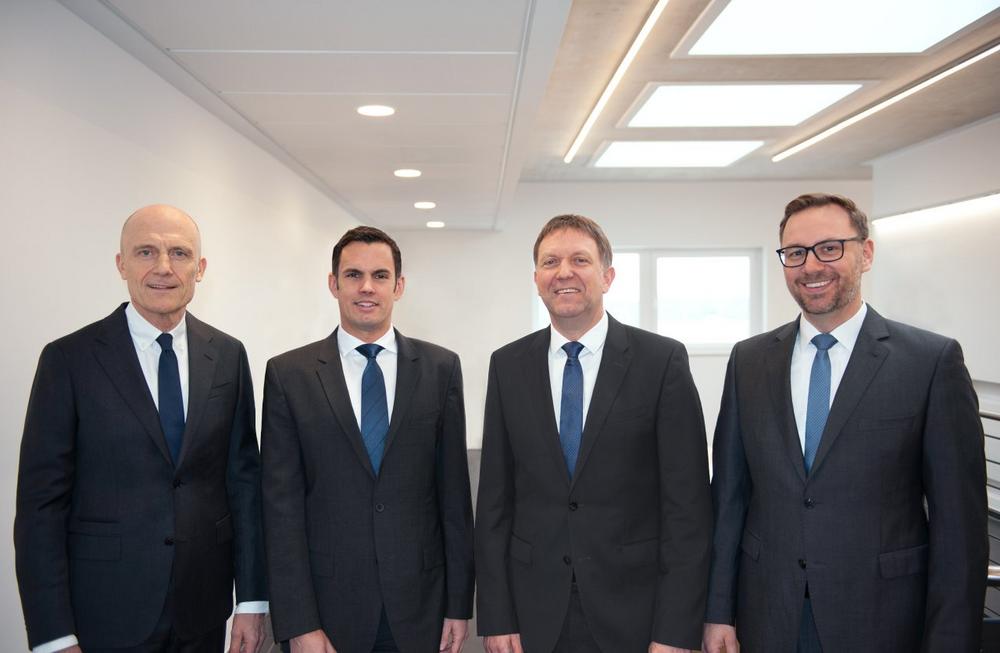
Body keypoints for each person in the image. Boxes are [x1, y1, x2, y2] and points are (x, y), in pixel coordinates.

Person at [703, 193, 988, 653]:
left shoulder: (930, 362)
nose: (811, 265)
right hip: (768, 615)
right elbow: (729, 498)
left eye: (829, 248)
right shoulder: (749, 361)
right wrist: (717, 610)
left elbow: (959, 526)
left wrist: (950, 641)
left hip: (881, 619)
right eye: (796, 253)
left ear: (866, 253)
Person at [15, 204, 268, 653]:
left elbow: (243, 484)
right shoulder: (68, 360)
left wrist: (251, 600)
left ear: (200, 268)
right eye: (146, 252)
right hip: (103, 615)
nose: (163, 267)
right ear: (122, 264)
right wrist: (53, 635)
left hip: (203, 612)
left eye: (179, 253)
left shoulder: (229, 356)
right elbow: (41, 507)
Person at [475, 214, 713, 653]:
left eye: (580, 260)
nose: (563, 272)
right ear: (536, 278)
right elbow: (494, 502)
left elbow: (688, 509)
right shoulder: (507, 366)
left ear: (607, 276)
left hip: (636, 613)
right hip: (532, 614)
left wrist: (675, 630)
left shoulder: (661, 362)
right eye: (550, 262)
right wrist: (496, 615)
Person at [261, 226, 474, 653]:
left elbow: (453, 498)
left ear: (399, 286)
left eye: (380, 276)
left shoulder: (440, 369)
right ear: (333, 284)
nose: (366, 287)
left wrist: (458, 606)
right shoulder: (289, 375)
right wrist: (298, 622)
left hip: (420, 608)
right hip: (327, 613)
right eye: (353, 275)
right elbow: (281, 510)